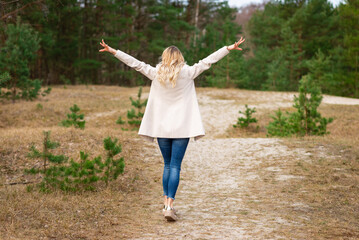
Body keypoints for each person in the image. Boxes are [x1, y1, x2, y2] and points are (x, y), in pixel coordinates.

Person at [99, 37, 245, 221]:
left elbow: (135, 64)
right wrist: (229, 48)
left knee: (167, 165)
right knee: (175, 165)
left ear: (164, 58)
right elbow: (209, 60)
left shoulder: (155, 73)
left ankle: (165, 204)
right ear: (180, 58)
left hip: (162, 128)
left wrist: (113, 51)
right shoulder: (189, 72)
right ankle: (170, 205)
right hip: (182, 128)